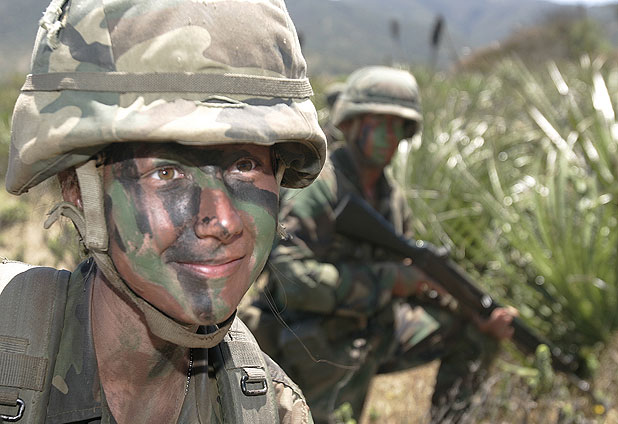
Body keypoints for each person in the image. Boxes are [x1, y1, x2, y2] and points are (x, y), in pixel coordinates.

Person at [0, 0, 326, 422]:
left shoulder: (269, 410)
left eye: (246, 166)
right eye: (167, 173)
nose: (223, 222)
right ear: (78, 188)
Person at [242, 66, 517, 423]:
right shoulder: (319, 188)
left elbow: (410, 277)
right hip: (308, 339)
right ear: (351, 123)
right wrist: (389, 281)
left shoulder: (392, 198)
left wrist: (470, 308)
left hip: (369, 329)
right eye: (378, 124)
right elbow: (291, 282)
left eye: (398, 126)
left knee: (471, 333)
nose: (389, 136)